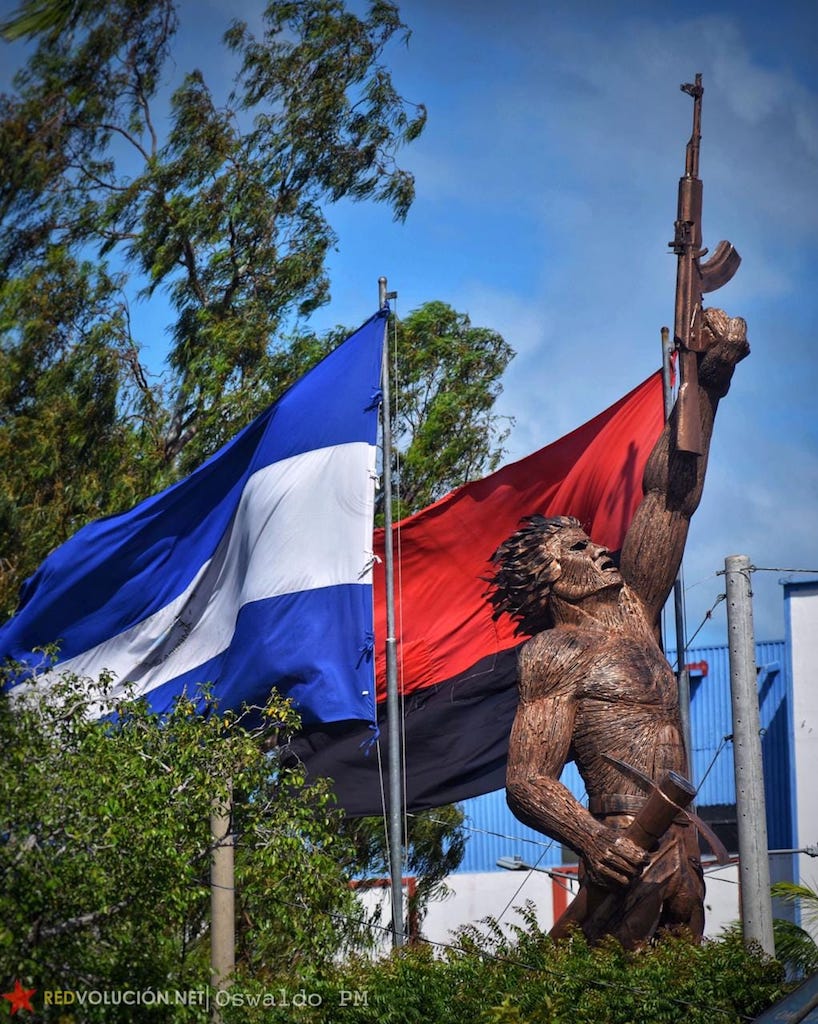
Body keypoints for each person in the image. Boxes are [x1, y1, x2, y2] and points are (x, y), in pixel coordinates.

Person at [486, 307, 749, 945]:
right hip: (624, 839)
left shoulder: (638, 613)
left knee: (687, 991)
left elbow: (671, 497)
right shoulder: (556, 654)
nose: (600, 550)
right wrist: (593, 840)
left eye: (592, 543)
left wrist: (704, 387)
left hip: (683, 841)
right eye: (576, 550)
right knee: (622, 987)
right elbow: (526, 778)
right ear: (548, 581)